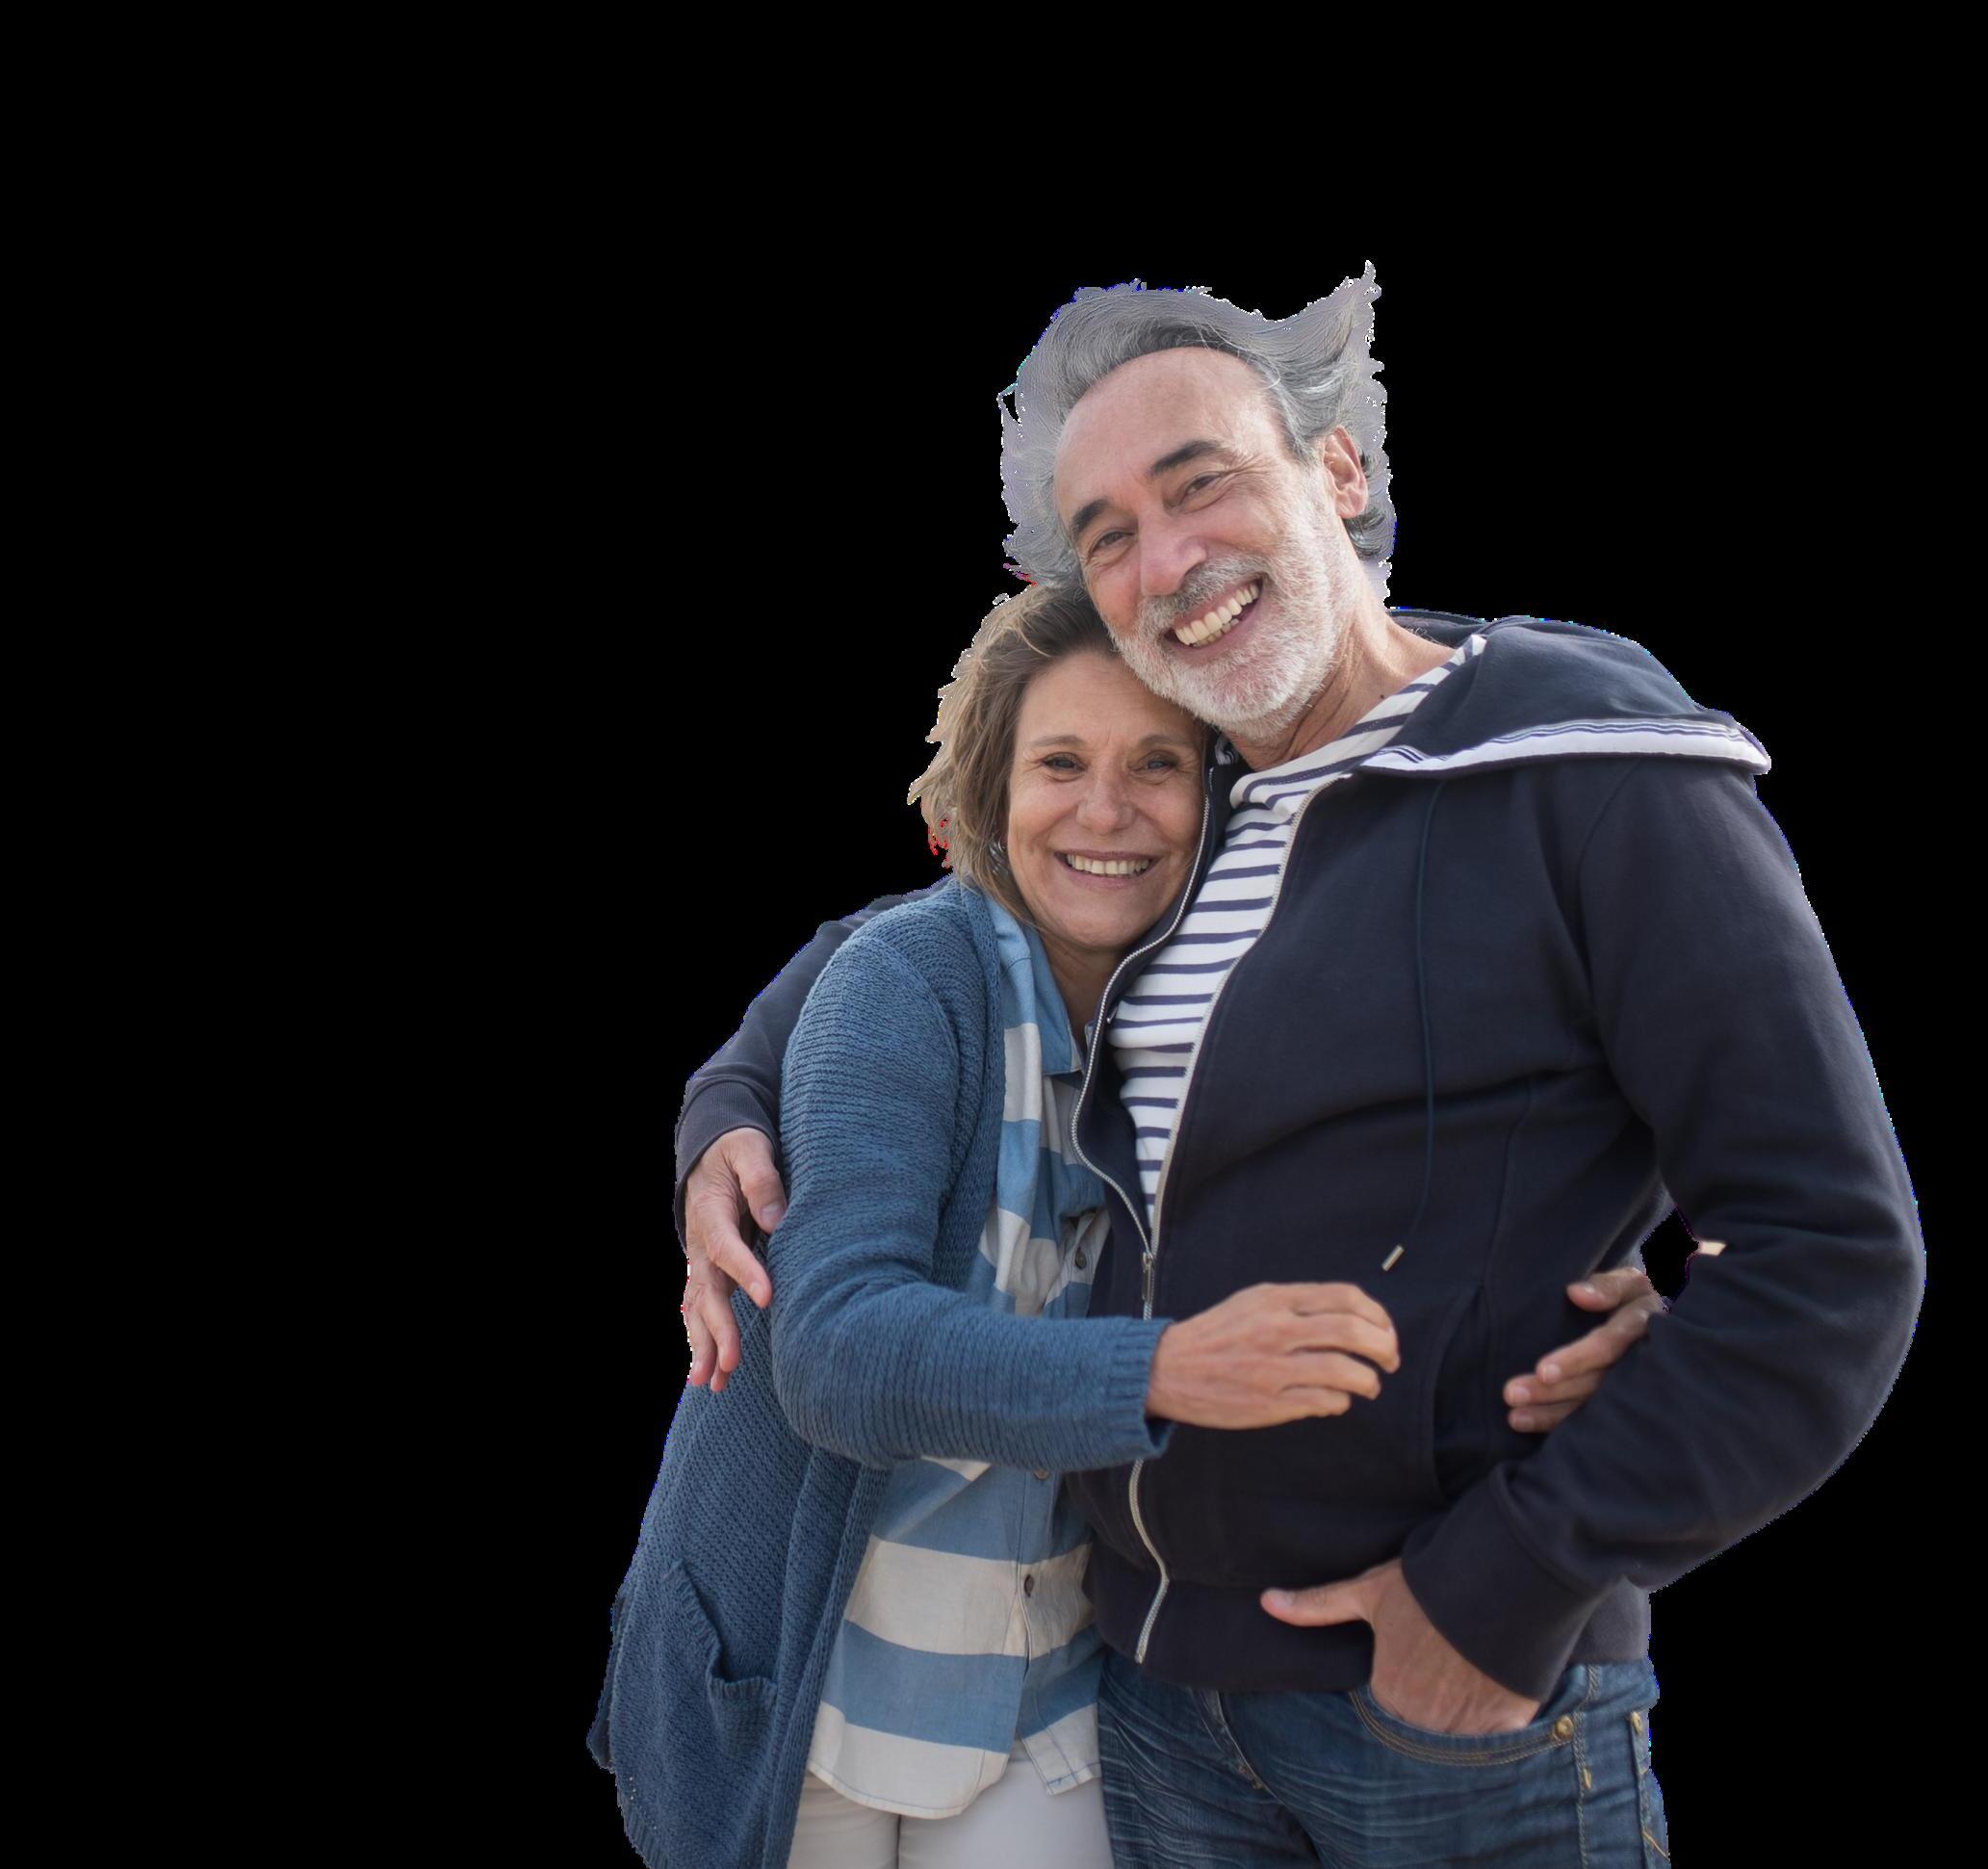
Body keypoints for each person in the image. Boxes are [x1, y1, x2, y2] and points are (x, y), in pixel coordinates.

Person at [665, 272, 1924, 1866]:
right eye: (1108, 535)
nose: (1165, 562)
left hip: (1445, 1719)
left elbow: (1831, 1252)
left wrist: (1505, 1592)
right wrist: (727, 1107)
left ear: (1338, 470)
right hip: (1144, 1700)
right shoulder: (1197, 806)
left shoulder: (1587, 774)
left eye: (1199, 484)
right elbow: (926, 933)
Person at [591, 582, 1662, 1869]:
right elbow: (836, 1355)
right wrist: (1164, 1371)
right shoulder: (911, 980)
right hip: (804, 1670)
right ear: (991, 792)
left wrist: (1619, 1289)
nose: (1106, 811)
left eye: (1158, 764)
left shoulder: (1228, 1001)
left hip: (1042, 1677)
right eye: (1060, 764)